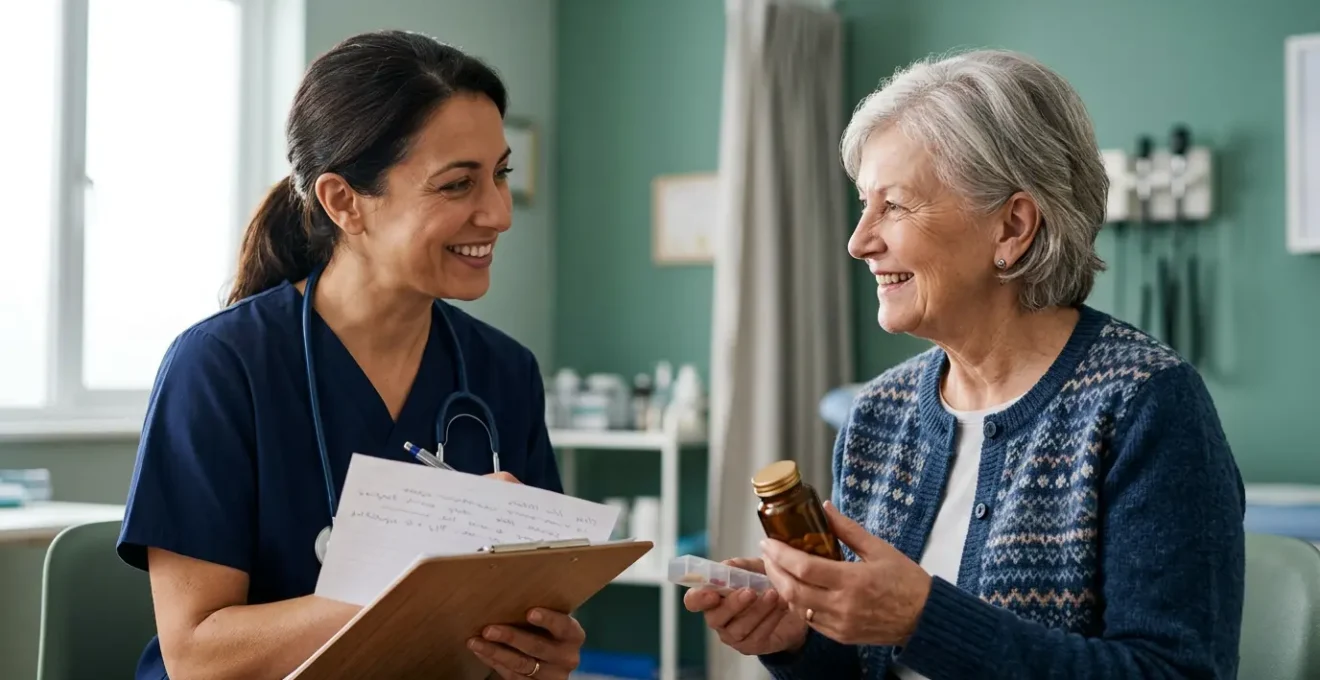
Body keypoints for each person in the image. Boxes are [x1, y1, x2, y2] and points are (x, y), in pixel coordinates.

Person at [686, 49, 1245, 679]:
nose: (859, 241)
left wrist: (923, 620)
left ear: (1012, 227)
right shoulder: (879, 413)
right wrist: (798, 642)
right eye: (864, 204)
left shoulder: (1145, 402)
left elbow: (1176, 672)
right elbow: (864, 666)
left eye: (894, 205)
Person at [116, 30, 583, 680]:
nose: (499, 214)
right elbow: (197, 655)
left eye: (500, 174)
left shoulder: (504, 374)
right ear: (344, 202)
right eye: (457, 185)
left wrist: (538, 657)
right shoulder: (220, 367)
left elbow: (527, 622)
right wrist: (427, 581)